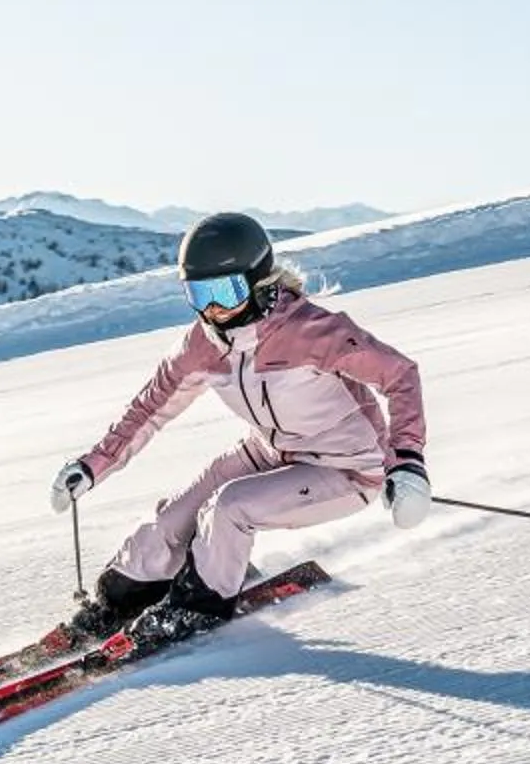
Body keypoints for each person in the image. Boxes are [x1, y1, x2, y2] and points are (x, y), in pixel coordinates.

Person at [49, 212, 429, 643]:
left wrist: (407, 462)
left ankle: (198, 608)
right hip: (269, 451)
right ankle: (117, 601)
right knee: (167, 523)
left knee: (229, 508)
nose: (212, 309)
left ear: (257, 282)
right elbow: (148, 409)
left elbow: (400, 376)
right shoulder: (202, 344)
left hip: (347, 467)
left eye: (224, 292)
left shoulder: (312, 332)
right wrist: (92, 466)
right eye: (199, 294)